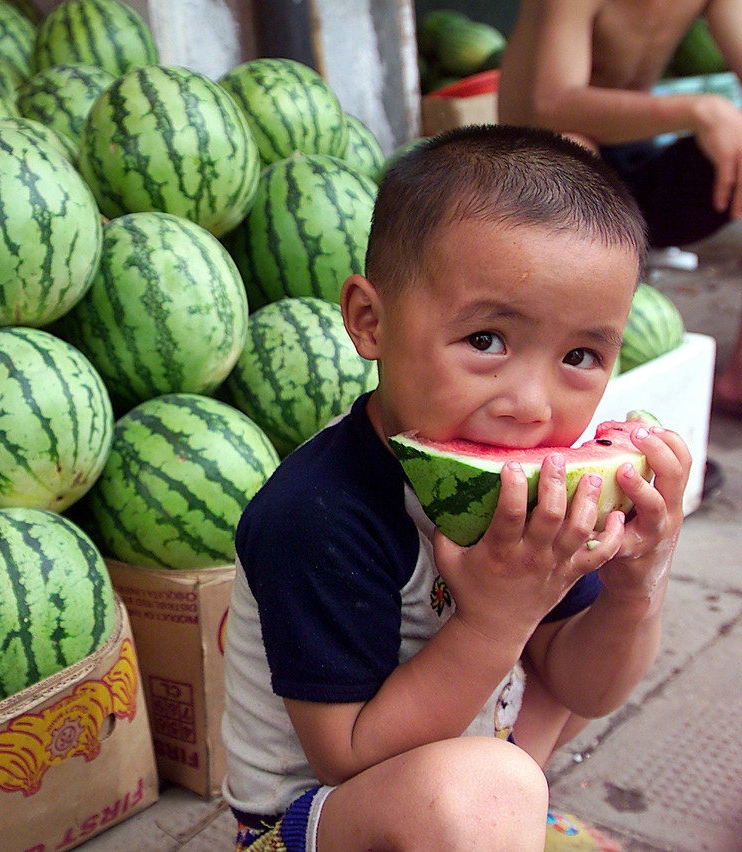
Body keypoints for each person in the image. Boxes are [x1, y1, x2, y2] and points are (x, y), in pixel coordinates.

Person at [221, 124, 692, 851]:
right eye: (487, 341)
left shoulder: (537, 490)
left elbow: (585, 689)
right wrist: (497, 618)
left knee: (506, 772)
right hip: (315, 824)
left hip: (464, 787)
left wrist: (637, 584)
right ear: (369, 321)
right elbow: (344, 753)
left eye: (580, 354)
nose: (531, 405)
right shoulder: (314, 517)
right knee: (488, 789)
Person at [497, 0, 742, 414]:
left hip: (634, 155)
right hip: (537, 176)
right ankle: (554, 384)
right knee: (575, 147)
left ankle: (736, 384)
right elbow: (552, 104)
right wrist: (700, 109)